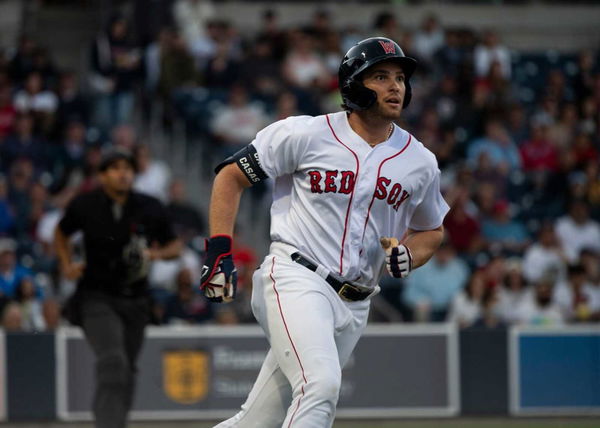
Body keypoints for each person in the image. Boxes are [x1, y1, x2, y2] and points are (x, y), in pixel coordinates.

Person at [202, 37, 449, 428]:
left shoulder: (420, 161)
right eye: (381, 76)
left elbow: (431, 230)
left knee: (256, 422)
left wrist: (410, 254)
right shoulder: (305, 133)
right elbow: (230, 176)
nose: (395, 87)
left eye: (400, 78)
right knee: (320, 386)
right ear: (353, 84)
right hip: (296, 276)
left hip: (356, 302)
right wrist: (219, 250)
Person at [54, 147, 182, 428]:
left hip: (136, 299)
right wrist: (66, 264)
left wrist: (156, 255)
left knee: (127, 369)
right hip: (96, 297)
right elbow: (61, 233)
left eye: (128, 168)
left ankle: (116, 423)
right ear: (102, 175)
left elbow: (175, 246)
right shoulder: (85, 205)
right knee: (113, 360)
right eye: (115, 168)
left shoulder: (150, 206)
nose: (123, 173)